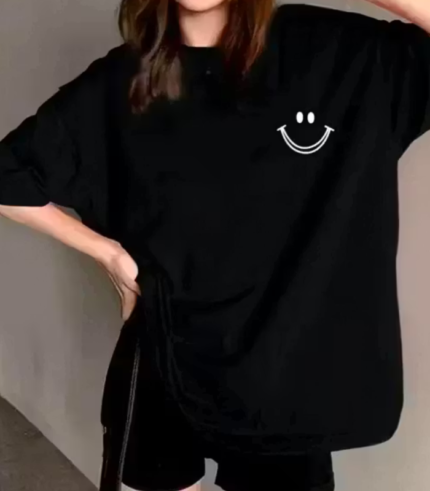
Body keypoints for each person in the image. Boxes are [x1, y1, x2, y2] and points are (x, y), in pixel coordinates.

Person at [1, 0, 430, 490]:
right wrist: (109, 254)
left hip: (285, 382)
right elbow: (9, 176)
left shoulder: (335, 53)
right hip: (165, 357)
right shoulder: (122, 81)